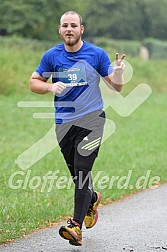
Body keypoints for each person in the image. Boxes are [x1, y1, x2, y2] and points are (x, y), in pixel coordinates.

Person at [29, 11, 126, 247]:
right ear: (59, 30)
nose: (69, 29)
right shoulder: (51, 56)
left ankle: (75, 226)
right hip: (63, 125)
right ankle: (92, 198)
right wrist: (51, 88)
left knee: (83, 171)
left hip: (92, 121)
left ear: (82, 29)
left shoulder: (96, 54)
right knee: (77, 175)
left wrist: (119, 73)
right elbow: (34, 82)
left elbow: (116, 88)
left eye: (74, 25)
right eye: (65, 25)